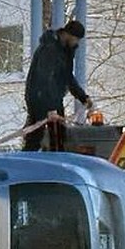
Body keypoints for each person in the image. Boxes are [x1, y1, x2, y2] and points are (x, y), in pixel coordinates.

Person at [23, 19, 93, 152]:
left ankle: (51, 162)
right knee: (37, 135)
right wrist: (50, 109)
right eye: (75, 39)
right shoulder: (50, 48)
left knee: (59, 136)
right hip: (40, 98)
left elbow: (67, 77)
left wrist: (83, 97)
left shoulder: (66, 50)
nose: (76, 43)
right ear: (67, 34)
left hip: (54, 99)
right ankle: (27, 162)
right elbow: (44, 78)